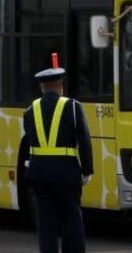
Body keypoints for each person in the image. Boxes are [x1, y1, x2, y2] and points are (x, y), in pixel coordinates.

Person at [19, 66, 94, 253]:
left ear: (42, 87)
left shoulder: (30, 111)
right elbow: (84, 141)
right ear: (61, 85)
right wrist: (87, 170)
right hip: (67, 174)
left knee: (46, 226)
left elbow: (30, 141)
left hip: (40, 175)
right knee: (72, 222)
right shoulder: (73, 107)